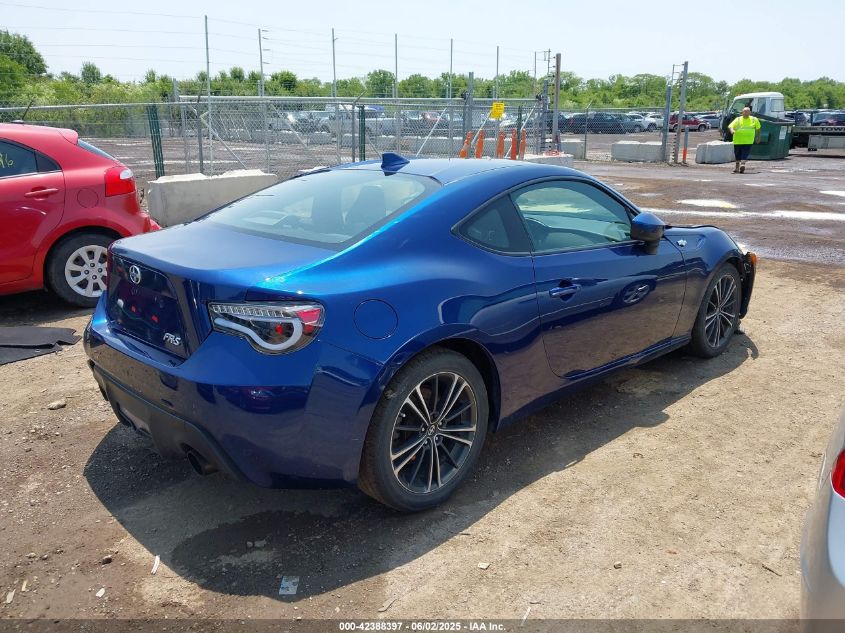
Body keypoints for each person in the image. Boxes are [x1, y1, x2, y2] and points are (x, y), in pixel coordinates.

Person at [727, 107, 761, 173]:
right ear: (742, 112)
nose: (746, 113)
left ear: (750, 112)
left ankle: (742, 164)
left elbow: (758, 128)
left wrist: (758, 137)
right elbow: (730, 126)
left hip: (748, 140)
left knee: (745, 153)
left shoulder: (754, 119)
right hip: (738, 140)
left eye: (747, 112)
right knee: (737, 154)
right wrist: (732, 130)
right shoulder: (738, 119)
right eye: (744, 111)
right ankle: (737, 168)